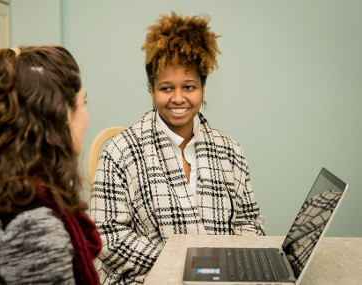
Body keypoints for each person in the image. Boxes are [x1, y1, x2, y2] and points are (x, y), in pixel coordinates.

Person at [90, 12, 265, 284]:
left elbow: (250, 223)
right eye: (166, 88)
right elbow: (108, 237)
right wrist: (188, 265)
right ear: (151, 90)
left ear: (203, 89)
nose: (178, 98)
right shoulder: (119, 152)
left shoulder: (230, 151)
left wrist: (224, 268)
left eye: (189, 86)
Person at [0, 46, 101, 285]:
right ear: (59, 117)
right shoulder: (35, 229)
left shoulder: (1, 191)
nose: (86, 115)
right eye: (81, 103)